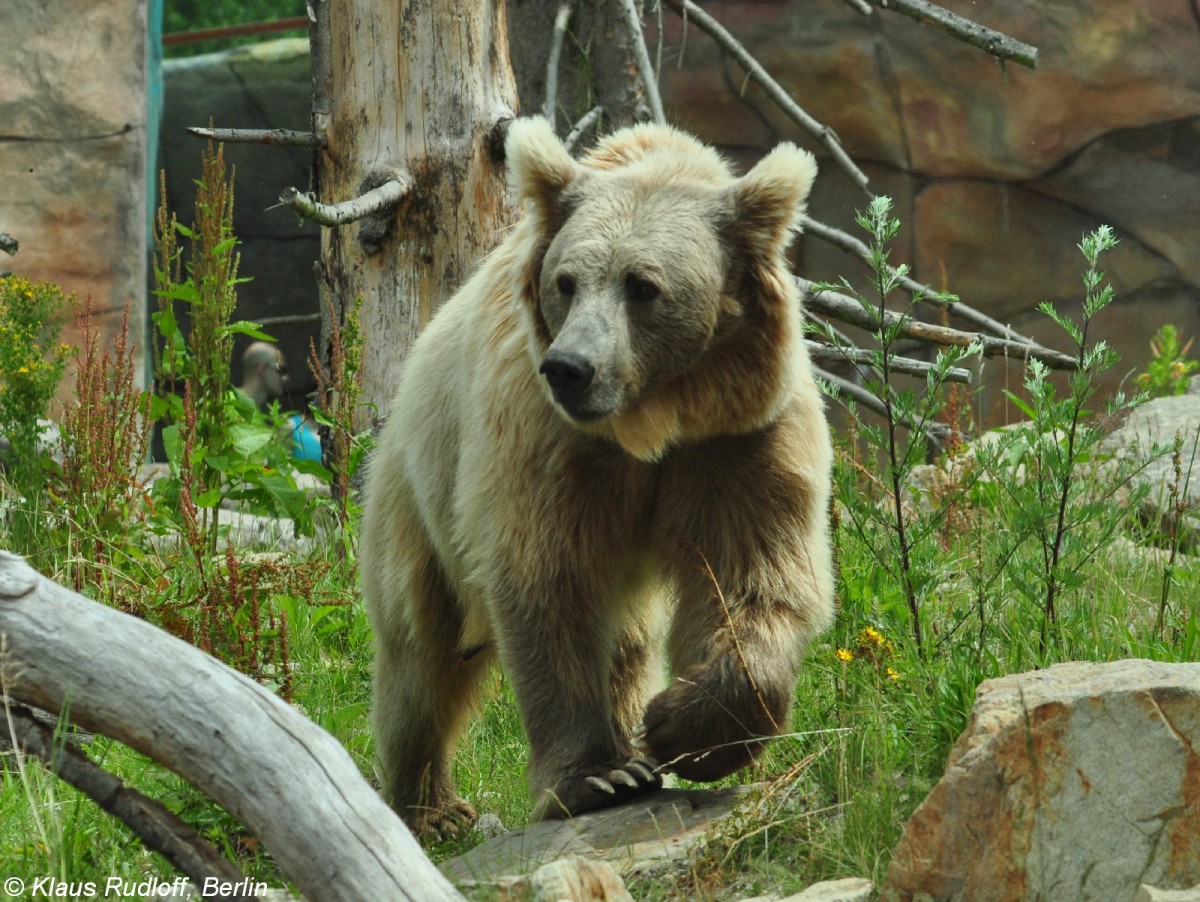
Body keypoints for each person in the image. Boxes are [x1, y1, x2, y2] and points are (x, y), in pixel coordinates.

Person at [238, 341, 287, 412]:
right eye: (280, 370)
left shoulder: (260, 417)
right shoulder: (226, 403)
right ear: (262, 369)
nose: (285, 378)